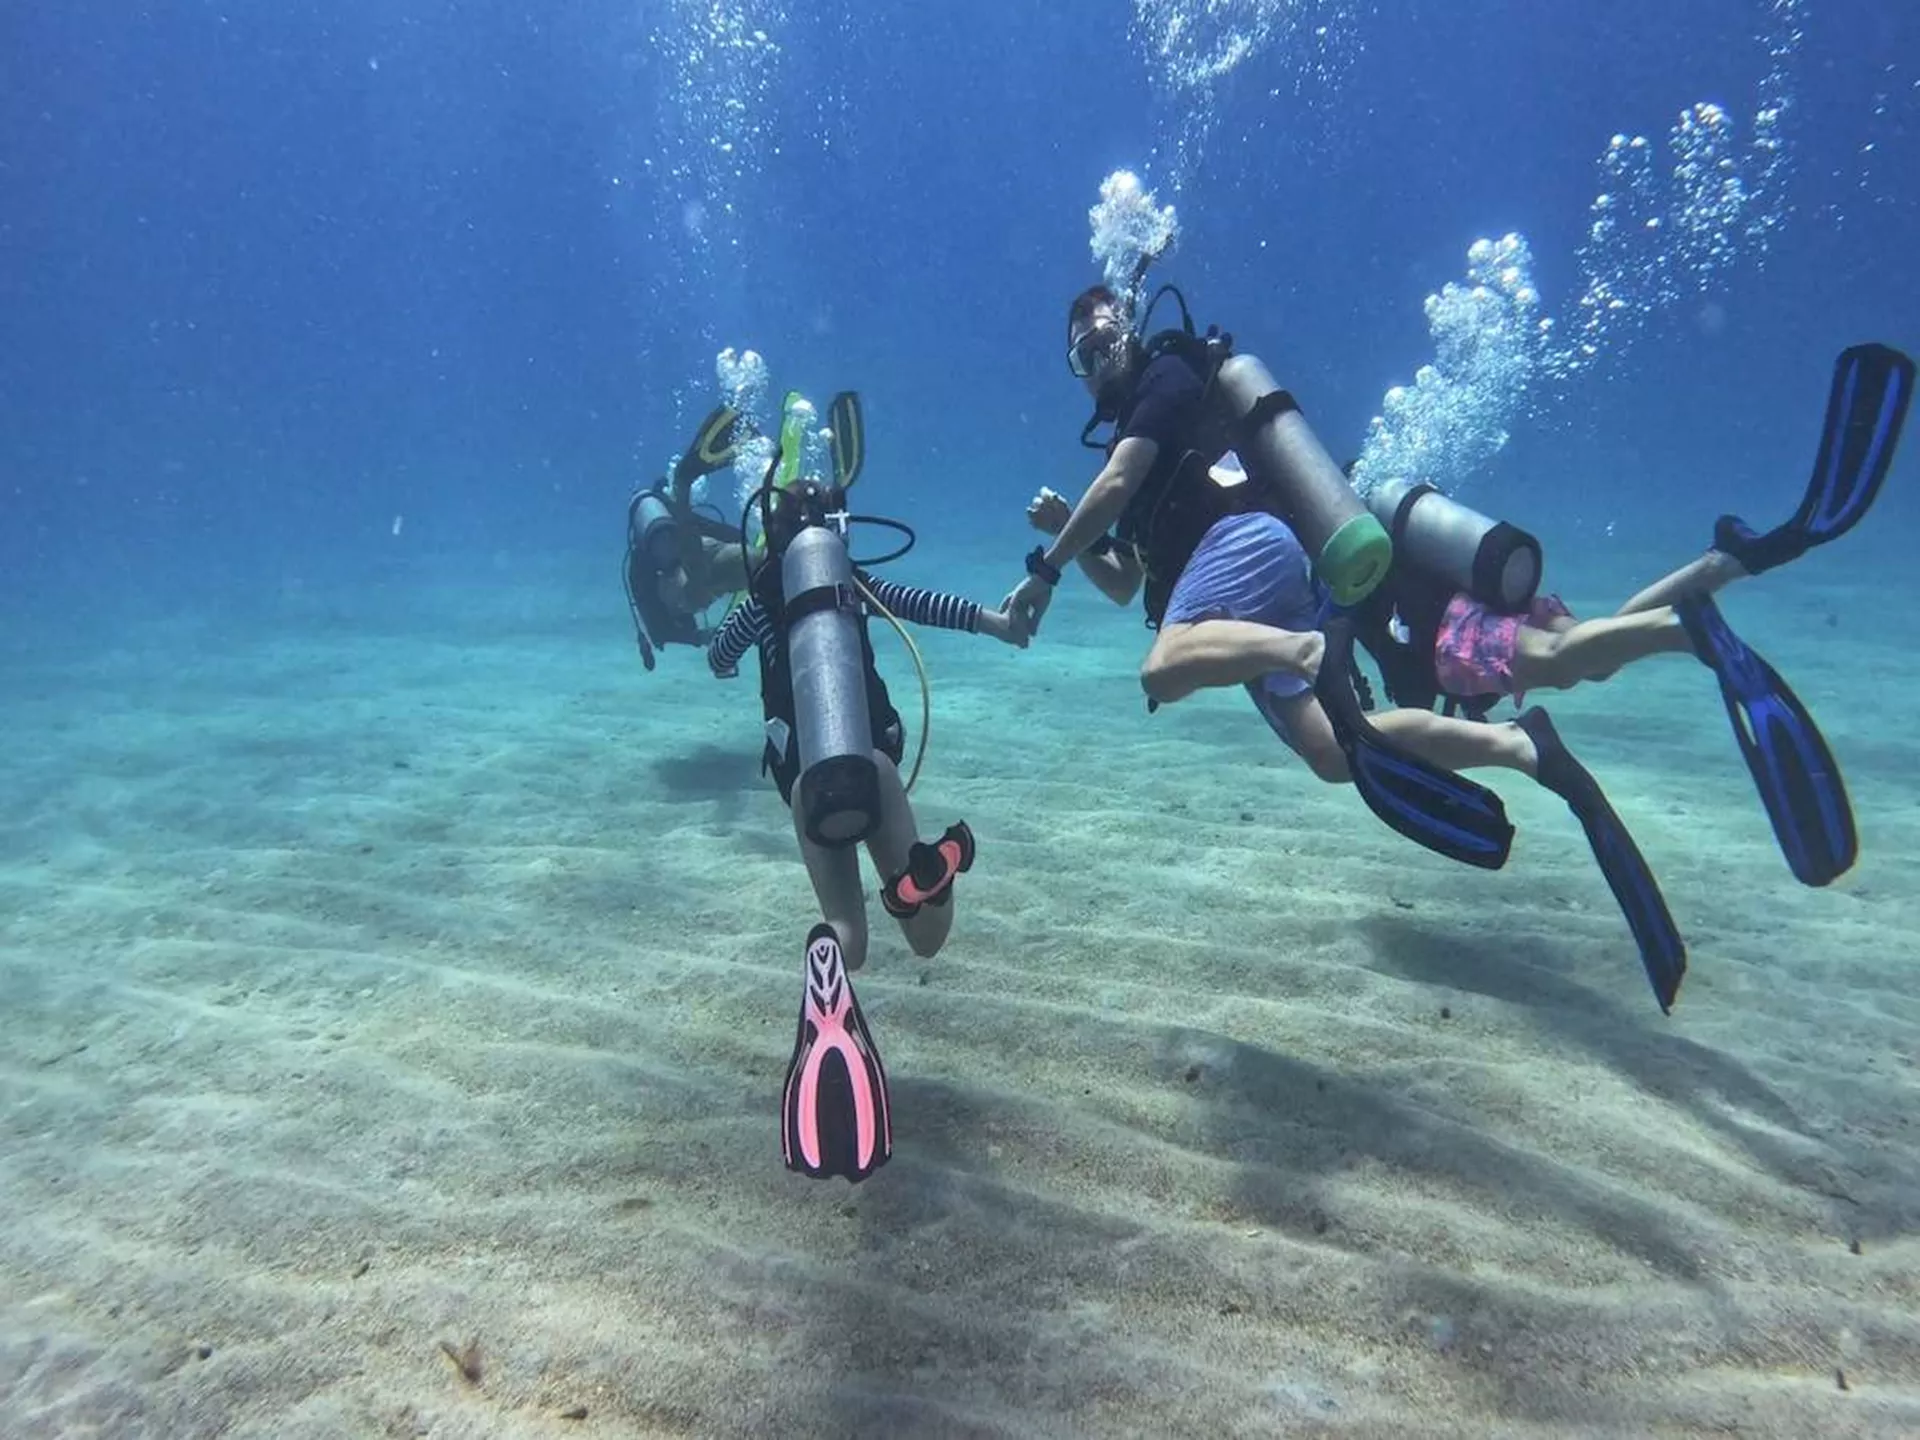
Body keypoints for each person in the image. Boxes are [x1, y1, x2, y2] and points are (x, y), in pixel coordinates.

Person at [708, 395, 1025, 1181]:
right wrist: (995, 621)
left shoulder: (767, 599)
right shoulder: (852, 582)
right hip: (873, 764)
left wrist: (741, 632)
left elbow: (718, 659)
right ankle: (923, 878)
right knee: (924, 938)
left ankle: (828, 984)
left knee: (848, 927)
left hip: (806, 785)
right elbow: (927, 607)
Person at [623, 405, 754, 671]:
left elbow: (658, 630)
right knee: (720, 565)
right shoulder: (673, 521)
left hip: (692, 577)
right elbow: (720, 532)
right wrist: (747, 545)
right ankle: (683, 482)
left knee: (699, 585)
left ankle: (683, 481)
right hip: (703, 553)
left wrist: (697, 637)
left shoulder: (639, 564)